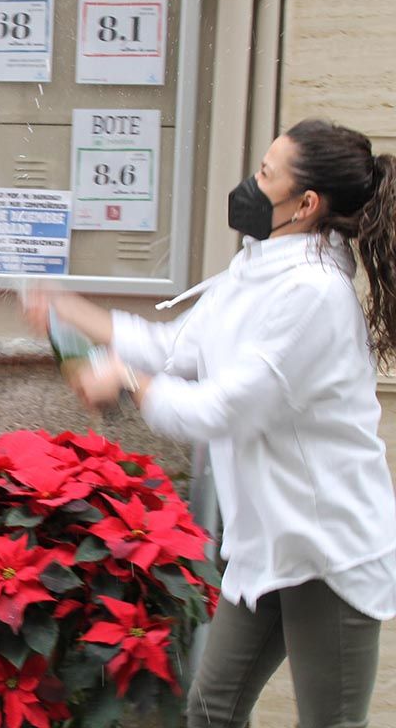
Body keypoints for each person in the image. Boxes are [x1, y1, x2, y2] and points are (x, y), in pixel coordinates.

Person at [24, 118, 396, 728]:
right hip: (270, 543)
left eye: (266, 174)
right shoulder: (256, 269)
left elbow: (221, 409)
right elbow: (173, 349)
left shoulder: (315, 295)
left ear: (304, 205)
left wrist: (126, 380)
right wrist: (72, 312)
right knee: (210, 709)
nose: (250, 184)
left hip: (328, 551)